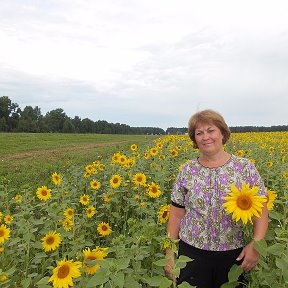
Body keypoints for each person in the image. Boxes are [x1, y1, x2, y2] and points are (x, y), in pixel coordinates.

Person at [164, 109, 268, 288]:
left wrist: (256, 245)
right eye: (199, 133)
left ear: (222, 133)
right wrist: (169, 255)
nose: (205, 137)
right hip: (190, 253)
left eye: (210, 130)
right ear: (194, 140)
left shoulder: (244, 168)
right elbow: (175, 216)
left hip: (232, 254)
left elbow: (261, 210)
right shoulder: (187, 171)